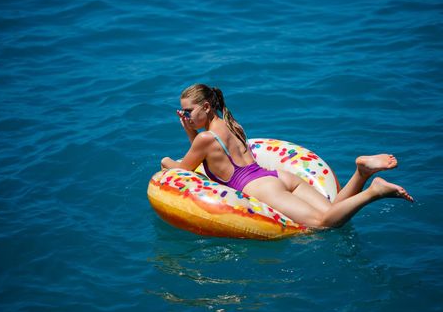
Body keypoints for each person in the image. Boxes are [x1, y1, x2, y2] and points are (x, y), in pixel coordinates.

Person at [161, 83, 413, 229]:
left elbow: (184, 170)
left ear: (205, 107)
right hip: (278, 177)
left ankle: (374, 191)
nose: (185, 117)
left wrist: (166, 162)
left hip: (262, 189)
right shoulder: (232, 125)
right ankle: (361, 172)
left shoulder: (205, 139)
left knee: (323, 224)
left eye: (187, 112)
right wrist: (190, 129)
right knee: (334, 209)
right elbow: (207, 160)